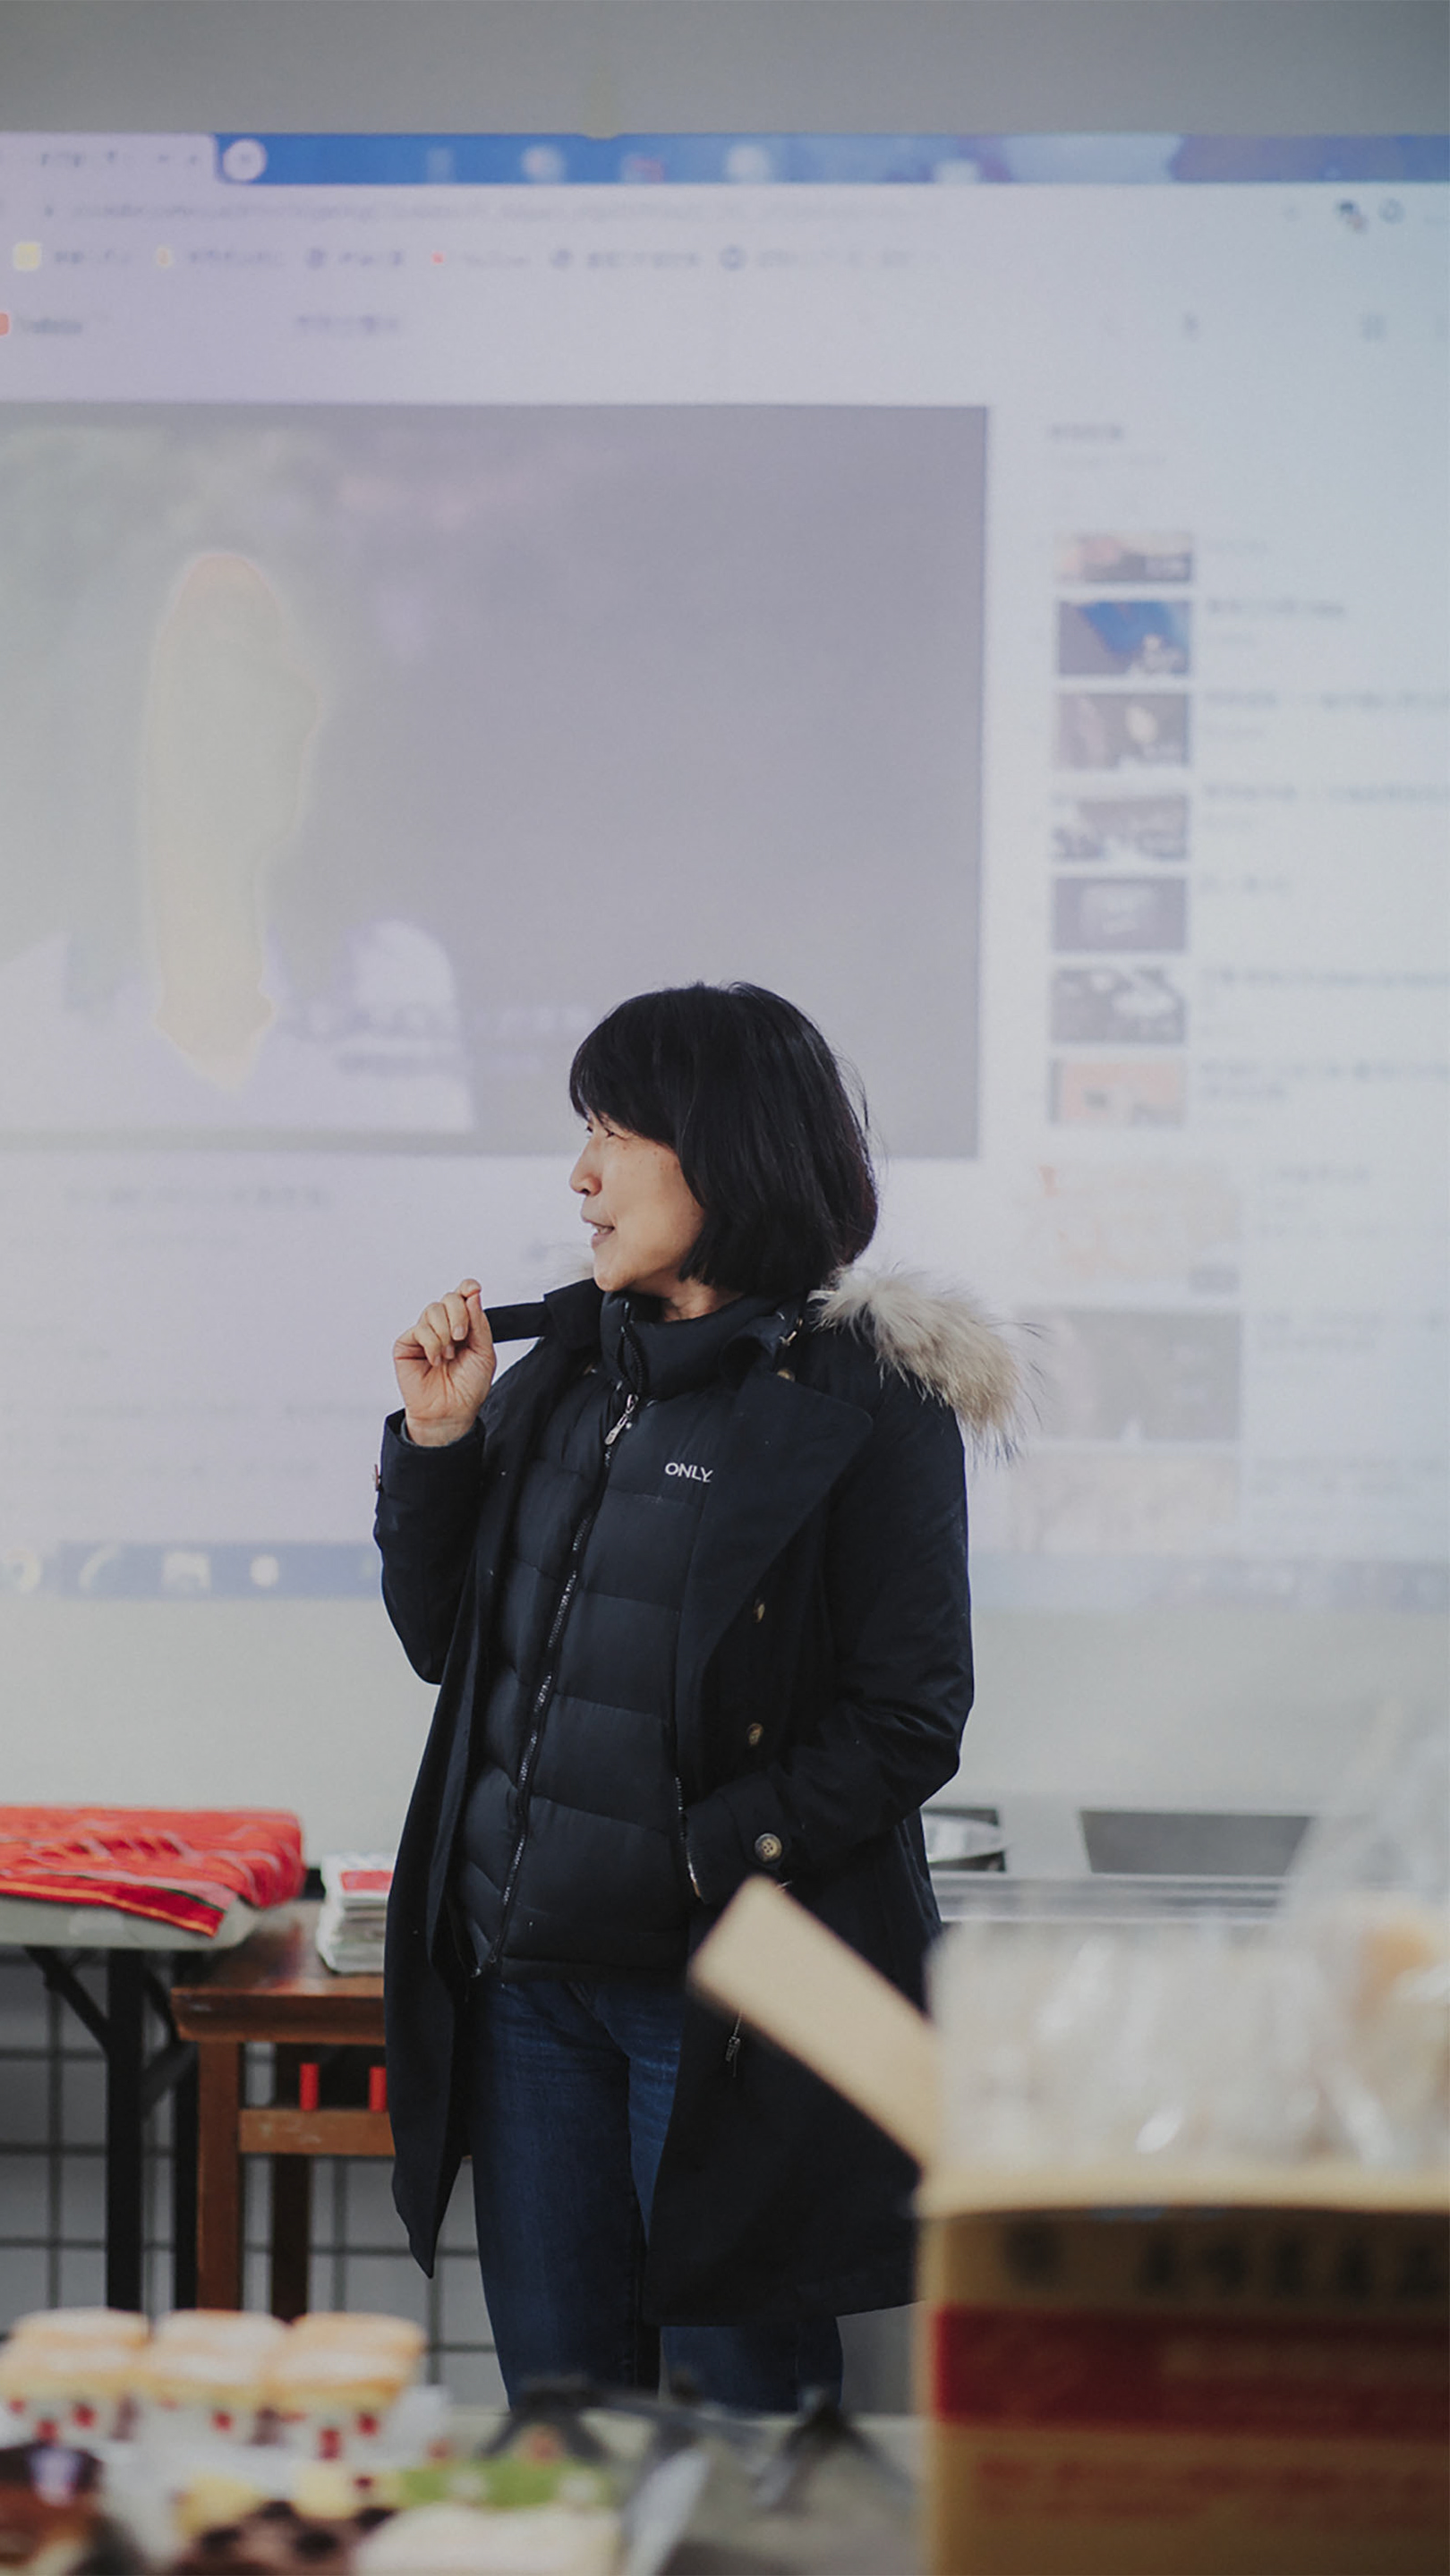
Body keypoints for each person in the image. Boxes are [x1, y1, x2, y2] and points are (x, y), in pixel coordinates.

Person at [373, 982, 1020, 2409]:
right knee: (564, 2417)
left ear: (725, 1153)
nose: (582, 1176)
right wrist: (436, 1445)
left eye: (615, 1133)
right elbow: (446, 1647)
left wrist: (689, 1859)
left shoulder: (862, 1397)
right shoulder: (565, 1372)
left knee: (744, 2430)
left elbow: (909, 1716)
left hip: (721, 1999)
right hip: (529, 1990)